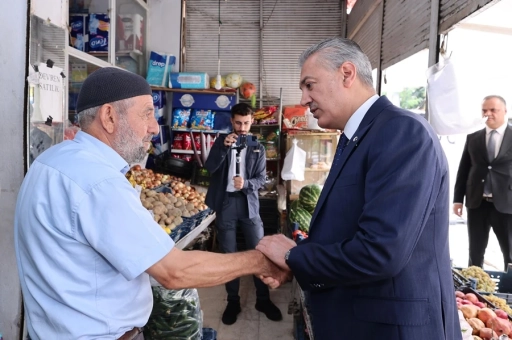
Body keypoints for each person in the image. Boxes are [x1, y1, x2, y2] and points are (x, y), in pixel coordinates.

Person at [14, 68, 287, 340]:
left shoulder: (51, 161)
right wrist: (260, 261)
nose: (155, 127)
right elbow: (175, 272)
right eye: (146, 113)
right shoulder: (98, 182)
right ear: (109, 116)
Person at [256, 37, 461, 339]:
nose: (303, 99)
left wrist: (293, 257)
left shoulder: (402, 132)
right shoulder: (358, 137)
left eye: (309, 85)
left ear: (347, 74)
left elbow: (380, 251)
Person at [204, 102, 282, 325]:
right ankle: (233, 301)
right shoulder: (221, 142)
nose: (242, 127)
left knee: (259, 253)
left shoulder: (258, 147)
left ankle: (263, 299)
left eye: (246, 123)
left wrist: (245, 183)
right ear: (231, 121)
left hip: (250, 204)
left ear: (252, 122)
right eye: (238, 122)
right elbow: (209, 168)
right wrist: (223, 148)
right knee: (229, 255)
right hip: (227, 204)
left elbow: (261, 179)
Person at [453, 95, 512, 270]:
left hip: (506, 203)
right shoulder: (473, 138)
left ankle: (509, 291)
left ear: (505, 111)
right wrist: (458, 199)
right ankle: (474, 291)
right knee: (475, 252)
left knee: (509, 252)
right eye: (484, 110)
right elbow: (464, 169)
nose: (488, 113)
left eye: (493, 110)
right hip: (477, 203)